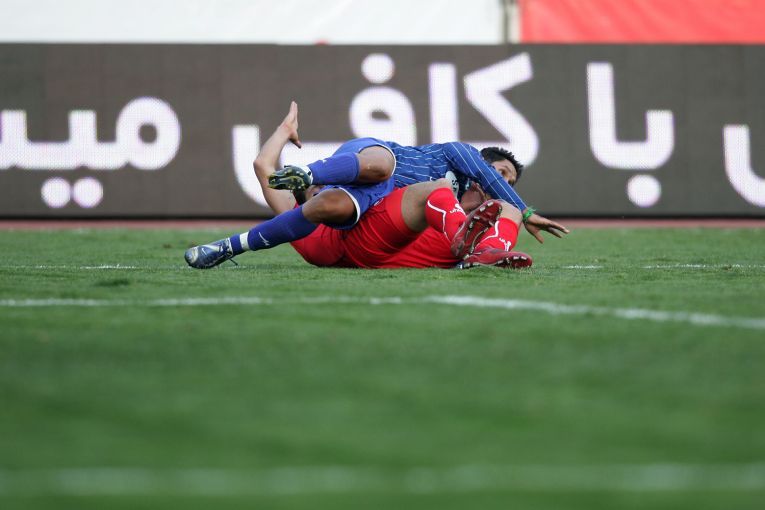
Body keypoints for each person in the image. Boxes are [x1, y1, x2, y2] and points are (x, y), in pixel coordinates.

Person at [185, 102, 567, 269]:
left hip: (388, 238)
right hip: (378, 187)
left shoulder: (324, 217)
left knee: (501, 208)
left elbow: (263, 166)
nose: (502, 181)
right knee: (380, 178)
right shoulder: (457, 157)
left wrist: (285, 131)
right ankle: (313, 173)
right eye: (501, 172)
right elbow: (267, 172)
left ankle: (482, 253)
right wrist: (527, 211)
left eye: (510, 180)